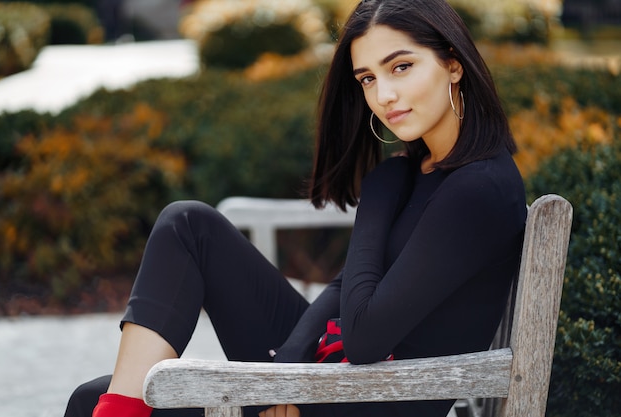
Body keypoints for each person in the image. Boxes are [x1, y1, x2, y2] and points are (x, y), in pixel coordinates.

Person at [64, 0, 526, 416]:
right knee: (188, 224)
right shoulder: (420, 170)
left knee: (91, 401)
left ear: (453, 64)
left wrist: (377, 198)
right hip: (333, 379)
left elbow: (365, 336)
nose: (383, 95)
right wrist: (283, 371)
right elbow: (348, 285)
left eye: (400, 67)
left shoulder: (478, 190)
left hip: (372, 398)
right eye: (368, 78)